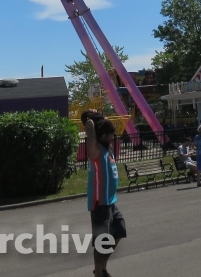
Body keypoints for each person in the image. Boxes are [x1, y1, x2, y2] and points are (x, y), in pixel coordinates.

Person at [82, 111, 126, 277]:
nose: (112, 137)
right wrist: (90, 121)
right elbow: (91, 133)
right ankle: (99, 273)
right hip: (100, 203)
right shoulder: (96, 151)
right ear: (103, 136)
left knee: (120, 231)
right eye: (110, 135)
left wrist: (101, 117)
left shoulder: (108, 149)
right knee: (101, 241)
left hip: (111, 201)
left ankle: (101, 267)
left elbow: (105, 127)